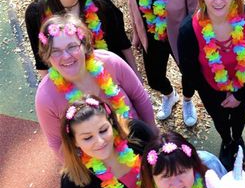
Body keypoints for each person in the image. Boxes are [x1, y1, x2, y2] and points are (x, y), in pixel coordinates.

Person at [178, 0, 245, 170]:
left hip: (243, 85)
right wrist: (216, 95)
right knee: (221, 120)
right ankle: (226, 140)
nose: (218, 1)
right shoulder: (188, 30)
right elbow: (190, 72)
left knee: (239, 117)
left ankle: (238, 137)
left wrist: (239, 94)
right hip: (210, 90)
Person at [35, 14, 155, 158]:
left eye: (72, 47)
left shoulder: (110, 62)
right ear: (47, 56)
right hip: (98, 163)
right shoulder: (46, 97)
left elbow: (140, 98)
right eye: (55, 51)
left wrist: (154, 136)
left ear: (84, 45)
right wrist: (80, 169)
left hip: (137, 142)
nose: (66, 56)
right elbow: (57, 143)